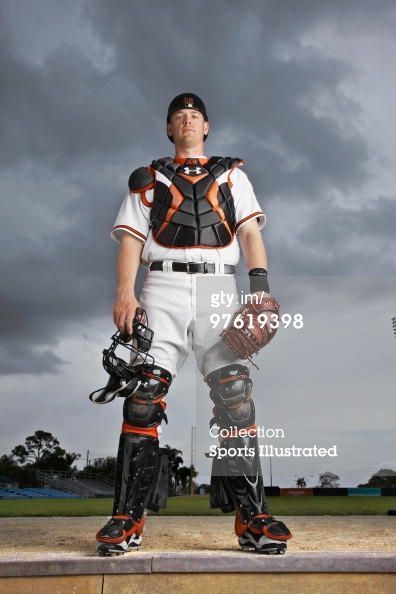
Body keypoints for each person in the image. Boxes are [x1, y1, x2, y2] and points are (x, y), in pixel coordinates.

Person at [95, 93, 292, 555]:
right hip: (160, 286)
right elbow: (130, 239)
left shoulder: (232, 175)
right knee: (143, 399)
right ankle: (128, 517)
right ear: (169, 129)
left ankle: (252, 518)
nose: (187, 119)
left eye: (195, 115)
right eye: (178, 117)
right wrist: (125, 291)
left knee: (236, 399)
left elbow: (249, 233)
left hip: (219, 288)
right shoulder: (149, 178)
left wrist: (259, 287)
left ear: (206, 127)